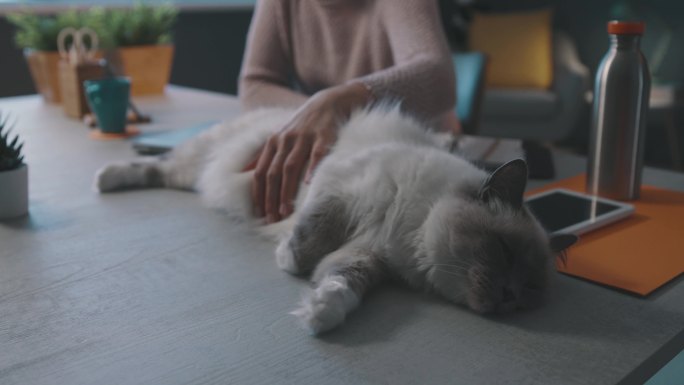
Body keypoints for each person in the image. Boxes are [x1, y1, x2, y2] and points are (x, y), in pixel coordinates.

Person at [239, 0, 457, 224]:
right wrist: (317, 114)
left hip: (417, 162)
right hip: (336, 155)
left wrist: (342, 101)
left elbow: (437, 76)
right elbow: (254, 85)